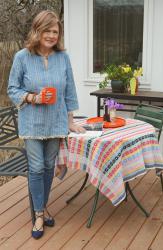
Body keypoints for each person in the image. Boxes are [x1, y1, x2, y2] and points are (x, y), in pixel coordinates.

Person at [8, 10, 85, 239]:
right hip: (32, 123)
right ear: (37, 30)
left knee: (50, 167)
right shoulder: (22, 57)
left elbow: (69, 89)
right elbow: (12, 89)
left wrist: (70, 121)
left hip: (56, 122)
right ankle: (39, 215)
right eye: (47, 30)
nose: (52, 35)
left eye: (55, 31)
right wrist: (33, 98)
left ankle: (41, 206)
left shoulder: (63, 57)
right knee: (37, 167)